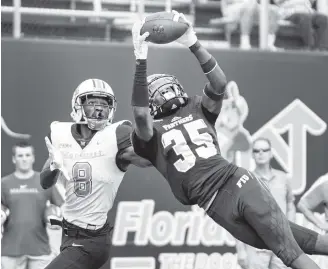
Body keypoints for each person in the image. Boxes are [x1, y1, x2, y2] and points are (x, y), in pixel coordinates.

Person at [130, 11, 328, 269]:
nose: (165, 93)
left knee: (287, 252)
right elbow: (140, 115)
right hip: (214, 205)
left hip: (236, 182)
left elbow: (219, 83)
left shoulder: (197, 108)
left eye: (168, 87)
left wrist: (193, 42)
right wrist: (141, 58)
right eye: (158, 93)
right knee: (298, 239)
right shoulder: (149, 134)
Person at [40, 78, 151, 269]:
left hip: (91, 240)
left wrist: (156, 144)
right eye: (92, 102)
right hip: (68, 235)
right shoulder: (62, 134)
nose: (99, 109)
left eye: (104, 103)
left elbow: (146, 160)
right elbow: (44, 182)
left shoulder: (116, 135)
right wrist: (54, 166)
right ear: (78, 104)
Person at [1, 141, 64, 269]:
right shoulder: (3, 183)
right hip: (10, 251)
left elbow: (63, 208)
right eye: (20, 156)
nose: (24, 159)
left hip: (40, 250)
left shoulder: (45, 181)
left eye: (27, 155)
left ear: (33, 157)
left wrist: (57, 219)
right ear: (14, 159)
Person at [236, 137, 296, 269]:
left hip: (281, 244)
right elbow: (237, 217)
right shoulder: (245, 180)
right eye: (257, 151)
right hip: (255, 245)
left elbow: (290, 205)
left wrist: (291, 231)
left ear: (271, 153)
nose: (261, 153)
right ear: (252, 155)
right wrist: (240, 250)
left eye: (264, 150)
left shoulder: (283, 178)